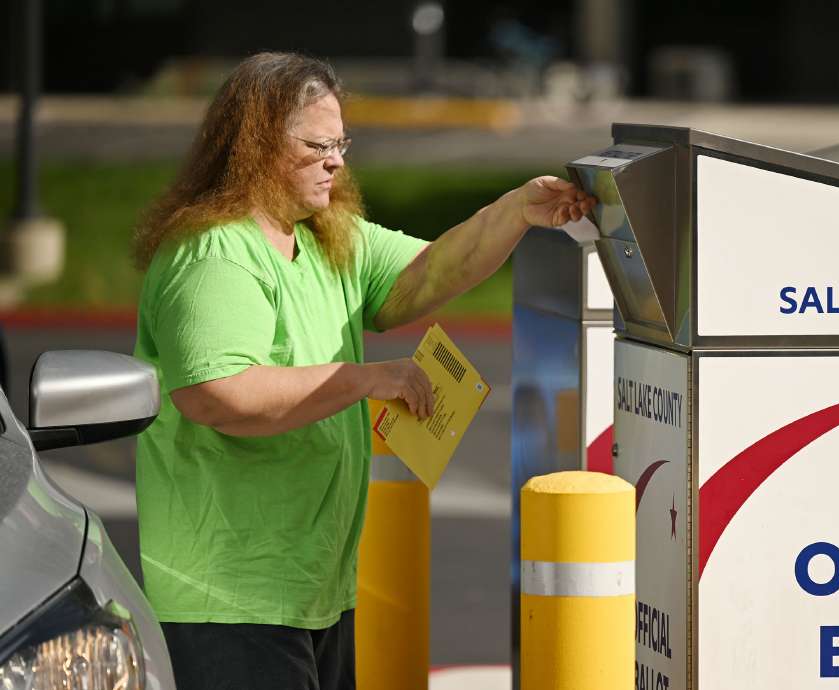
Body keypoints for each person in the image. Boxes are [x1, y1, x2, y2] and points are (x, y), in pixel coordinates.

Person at [130, 52, 593, 690]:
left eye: (341, 142)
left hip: (310, 587)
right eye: (318, 144)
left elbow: (430, 271)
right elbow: (218, 394)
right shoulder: (216, 252)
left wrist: (516, 212)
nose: (337, 160)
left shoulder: (324, 234)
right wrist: (365, 378)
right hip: (227, 595)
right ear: (257, 146)